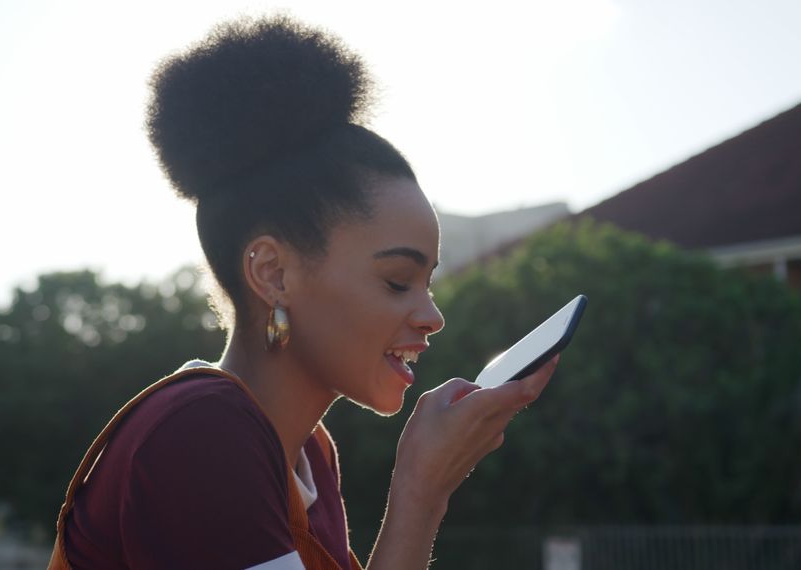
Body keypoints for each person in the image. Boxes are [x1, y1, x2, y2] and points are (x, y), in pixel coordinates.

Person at [49, 14, 558, 570]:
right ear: (273, 273)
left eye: (428, 282)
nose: (432, 315)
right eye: (397, 281)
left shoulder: (309, 454)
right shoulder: (198, 432)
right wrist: (421, 492)